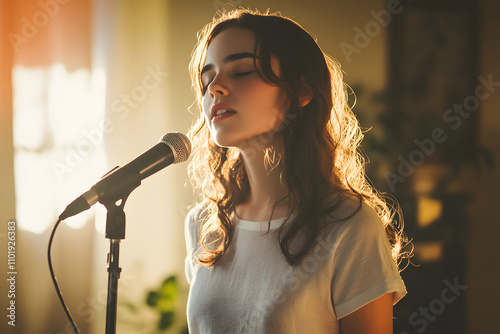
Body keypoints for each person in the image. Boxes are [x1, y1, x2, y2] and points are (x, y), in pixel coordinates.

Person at [184, 8, 409, 334]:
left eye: (242, 71)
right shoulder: (204, 226)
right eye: (207, 78)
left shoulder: (349, 226)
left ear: (301, 92)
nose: (215, 88)